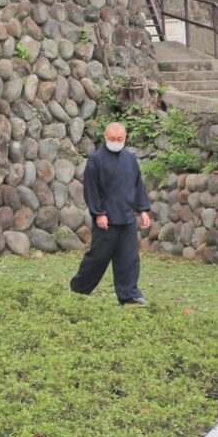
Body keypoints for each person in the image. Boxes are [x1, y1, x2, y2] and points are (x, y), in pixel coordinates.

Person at [69, 122, 152, 304]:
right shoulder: (96, 160)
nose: (116, 141)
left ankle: (129, 294)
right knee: (98, 258)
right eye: (112, 139)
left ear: (125, 137)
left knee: (129, 258)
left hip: (127, 218)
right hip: (106, 219)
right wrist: (98, 213)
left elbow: (138, 186)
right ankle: (79, 288)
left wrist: (143, 210)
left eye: (120, 139)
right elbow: (91, 189)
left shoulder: (130, 159)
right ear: (106, 137)